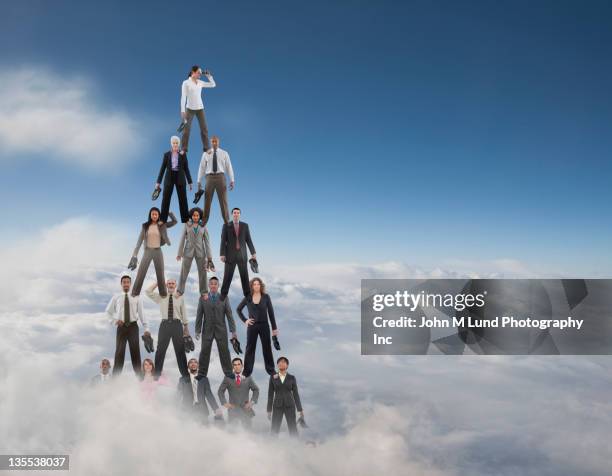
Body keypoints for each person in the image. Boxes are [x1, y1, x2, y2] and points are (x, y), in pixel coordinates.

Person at [105, 275, 150, 376]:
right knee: (119, 354)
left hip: (133, 327)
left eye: (127, 282)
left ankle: (140, 379)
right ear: (121, 284)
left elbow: (142, 314)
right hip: (121, 328)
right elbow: (108, 312)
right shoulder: (116, 297)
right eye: (124, 282)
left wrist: (146, 328)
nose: (126, 284)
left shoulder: (136, 297)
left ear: (130, 284)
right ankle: (115, 380)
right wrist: (115, 321)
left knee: (136, 353)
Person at [145, 279, 190, 378]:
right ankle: (156, 375)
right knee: (160, 350)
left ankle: (185, 375)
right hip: (164, 325)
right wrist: (158, 283)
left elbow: (184, 312)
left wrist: (186, 328)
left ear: (175, 285)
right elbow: (148, 292)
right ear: (166, 285)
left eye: (172, 283)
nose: (170, 285)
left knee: (180, 351)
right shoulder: (161, 296)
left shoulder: (180, 297)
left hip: (177, 325)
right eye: (169, 283)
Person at [129, 207, 177, 297]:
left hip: (158, 251)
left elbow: (175, 221)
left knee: (160, 275)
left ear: (159, 215)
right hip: (147, 251)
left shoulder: (162, 224)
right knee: (141, 273)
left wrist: (169, 212)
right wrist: (134, 255)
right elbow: (139, 242)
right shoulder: (145, 226)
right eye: (153, 214)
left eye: (156, 214)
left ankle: (163, 295)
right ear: (150, 215)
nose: (154, 216)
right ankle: (134, 294)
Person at [195, 277, 237, 378]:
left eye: (215, 284)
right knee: (204, 351)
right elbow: (199, 315)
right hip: (207, 330)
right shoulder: (202, 298)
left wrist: (233, 331)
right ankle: (201, 373)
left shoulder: (224, 298)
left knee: (224, 352)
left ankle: (228, 373)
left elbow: (229, 314)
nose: (213, 285)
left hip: (221, 330)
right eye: (211, 284)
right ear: (209, 286)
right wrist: (197, 330)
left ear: (218, 286)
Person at [237, 278, 278, 377]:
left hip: (264, 326)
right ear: (252, 286)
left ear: (261, 285)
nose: (256, 286)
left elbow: (271, 313)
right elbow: (238, 309)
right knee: (250, 349)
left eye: (258, 284)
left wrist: (274, 328)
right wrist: (245, 320)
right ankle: (246, 372)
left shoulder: (266, 297)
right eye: (254, 284)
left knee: (267, 348)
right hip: (252, 326)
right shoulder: (248, 297)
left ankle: (271, 370)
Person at [196, 135, 234, 225]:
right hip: (209, 177)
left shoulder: (224, 153)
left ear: (218, 142)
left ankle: (227, 221)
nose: (214, 143)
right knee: (207, 200)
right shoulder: (206, 153)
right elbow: (201, 167)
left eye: (215, 141)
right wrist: (199, 181)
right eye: (212, 141)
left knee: (223, 201)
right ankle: (204, 221)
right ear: (210, 142)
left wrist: (232, 180)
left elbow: (229, 167)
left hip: (221, 177)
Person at [219, 208, 256, 300]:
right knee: (227, 276)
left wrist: (253, 252)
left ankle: (247, 294)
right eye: (234, 213)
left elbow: (249, 240)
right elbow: (223, 241)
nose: (236, 214)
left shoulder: (245, 226)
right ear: (232, 214)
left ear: (240, 214)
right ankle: (223, 294)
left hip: (242, 255)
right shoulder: (226, 225)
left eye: (238, 213)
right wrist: (222, 254)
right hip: (229, 255)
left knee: (244, 276)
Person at [176, 208, 213, 296]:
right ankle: (180, 291)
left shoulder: (203, 226)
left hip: (201, 252)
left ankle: (204, 292)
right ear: (191, 216)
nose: (195, 217)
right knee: (184, 272)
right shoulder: (187, 225)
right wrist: (179, 254)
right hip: (188, 251)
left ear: (200, 216)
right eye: (194, 215)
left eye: (197, 215)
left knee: (203, 273)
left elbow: (207, 242)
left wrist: (209, 256)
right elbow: (182, 239)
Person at [156, 136, 193, 223]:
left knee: (183, 199)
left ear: (179, 144)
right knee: (165, 198)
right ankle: (162, 219)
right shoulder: (166, 155)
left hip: (180, 177)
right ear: (171, 144)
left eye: (177, 143)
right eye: (174, 143)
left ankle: (185, 219)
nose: (175, 144)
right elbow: (162, 168)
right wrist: (158, 182)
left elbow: (186, 168)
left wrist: (190, 182)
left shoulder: (183, 155)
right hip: (169, 177)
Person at [180, 65, 216, 153]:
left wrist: (209, 76)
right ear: (193, 72)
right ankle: (184, 149)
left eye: (201, 72)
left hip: (200, 109)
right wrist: (182, 110)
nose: (200, 74)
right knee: (186, 130)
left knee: (204, 129)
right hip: (189, 109)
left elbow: (213, 85)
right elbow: (183, 97)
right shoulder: (186, 83)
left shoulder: (200, 82)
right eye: (198, 72)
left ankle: (206, 148)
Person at [217, 358, 259, 429]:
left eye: (239, 364)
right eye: (235, 365)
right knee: (232, 433)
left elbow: (256, 389)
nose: (237, 366)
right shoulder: (227, 378)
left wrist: (252, 402)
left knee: (248, 432)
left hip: (246, 409)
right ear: (232, 367)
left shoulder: (248, 377)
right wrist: (224, 403)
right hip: (233, 410)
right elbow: (220, 391)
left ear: (242, 366)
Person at [267, 357, 304, 437]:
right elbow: (270, 394)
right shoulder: (273, 377)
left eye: (283, 362)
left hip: (290, 405)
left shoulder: (292, 378)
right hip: (277, 406)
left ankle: (295, 445)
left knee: (293, 428)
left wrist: (300, 409)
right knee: (274, 428)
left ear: (287, 365)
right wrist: (269, 410)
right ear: (277, 365)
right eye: (279, 362)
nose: (281, 363)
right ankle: (272, 446)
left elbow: (296, 394)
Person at [178, 358, 222, 424]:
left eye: (195, 362)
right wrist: (172, 407)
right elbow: (178, 393)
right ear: (188, 366)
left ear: (198, 365)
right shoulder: (182, 379)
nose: (193, 364)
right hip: (187, 410)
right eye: (191, 363)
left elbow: (209, 395)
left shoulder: (204, 379)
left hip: (202, 410)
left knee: (204, 432)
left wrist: (216, 408)